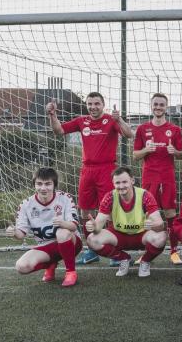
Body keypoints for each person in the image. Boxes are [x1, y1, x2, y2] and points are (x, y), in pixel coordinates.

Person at [47, 92, 133, 265]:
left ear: (103, 105)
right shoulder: (81, 121)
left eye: (96, 104)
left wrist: (119, 120)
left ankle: (113, 251)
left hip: (107, 170)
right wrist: (52, 115)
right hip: (87, 171)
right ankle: (91, 249)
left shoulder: (110, 120)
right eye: (90, 104)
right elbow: (59, 130)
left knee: (109, 211)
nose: (93, 107)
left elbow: (129, 134)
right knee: (85, 210)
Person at [6, 168, 82, 287]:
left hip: (71, 242)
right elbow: (21, 235)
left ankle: (71, 272)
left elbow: (73, 226)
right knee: (21, 266)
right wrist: (14, 232)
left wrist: (62, 223)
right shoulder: (26, 204)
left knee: (62, 232)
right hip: (46, 247)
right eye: (39, 184)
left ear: (54, 185)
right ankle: (50, 264)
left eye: (48, 184)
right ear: (34, 185)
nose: (43, 188)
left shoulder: (65, 198)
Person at [85, 167, 167, 278]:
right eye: (117, 183)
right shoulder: (109, 197)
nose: (121, 186)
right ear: (113, 183)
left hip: (141, 235)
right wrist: (93, 227)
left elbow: (160, 224)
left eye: (124, 182)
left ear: (132, 181)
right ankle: (123, 258)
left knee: (161, 237)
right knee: (91, 239)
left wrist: (153, 225)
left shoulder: (145, 195)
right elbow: (98, 226)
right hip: (119, 235)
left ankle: (145, 261)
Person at [133, 92, 182, 265]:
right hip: (149, 175)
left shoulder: (175, 129)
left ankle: (174, 251)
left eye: (162, 104)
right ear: (151, 105)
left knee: (170, 212)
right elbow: (135, 155)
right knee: (147, 214)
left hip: (167, 174)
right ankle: (146, 252)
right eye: (155, 104)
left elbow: (181, 155)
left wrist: (175, 152)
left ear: (166, 107)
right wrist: (146, 150)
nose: (158, 107)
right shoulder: (142, 128)